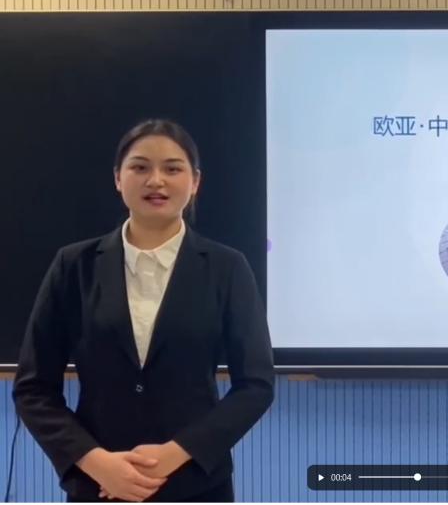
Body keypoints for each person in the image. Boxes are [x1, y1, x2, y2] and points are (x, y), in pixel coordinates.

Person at [13, 120, 275, 502]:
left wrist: (173, 455)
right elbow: (33, 388)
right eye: (139, 167)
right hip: (99, 486)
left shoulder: (227, 268)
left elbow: (256, 385)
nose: (156, 180)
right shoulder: (74, 265)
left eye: (172, 168)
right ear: (118, 178)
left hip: (196, 483)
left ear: (195, 182)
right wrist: (96, 462)